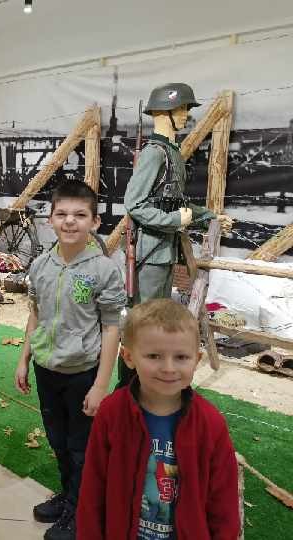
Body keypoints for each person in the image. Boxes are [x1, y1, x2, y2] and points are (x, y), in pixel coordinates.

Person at [14, 180, 126, 540]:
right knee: (58, 441)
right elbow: (36, 314)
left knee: (81, 447)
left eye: (80, 214)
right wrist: (23, 358)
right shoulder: (40, 265)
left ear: (95, 222)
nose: (70, 221)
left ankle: (81, 509)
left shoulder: (105, 270)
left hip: (82, 374)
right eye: (61, 213)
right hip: (46, 369)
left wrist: (101, 385)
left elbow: (111, 328)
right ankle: (69, 496)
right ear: (50, 219)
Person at [77, 299, 240, 540]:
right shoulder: (111, 412)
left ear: (197, 359)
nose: (168, 368)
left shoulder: (211, 424)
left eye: (181, 357)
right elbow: (93, 487)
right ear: (128, 357)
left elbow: (224, 503)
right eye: (154, 356)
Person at [118, 83, 233, 387]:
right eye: (181, 108)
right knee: (142, 323)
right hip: (150, 253)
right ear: (163, 112)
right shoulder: (154, 154)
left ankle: (145, 383)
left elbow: (175, 202)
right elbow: (134, 204)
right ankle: (128, 386)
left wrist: (209, 217)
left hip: (164, 251)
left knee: (155, 321)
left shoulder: (171, 153)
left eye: (185, 109)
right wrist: (172, 220)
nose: (185, 115)